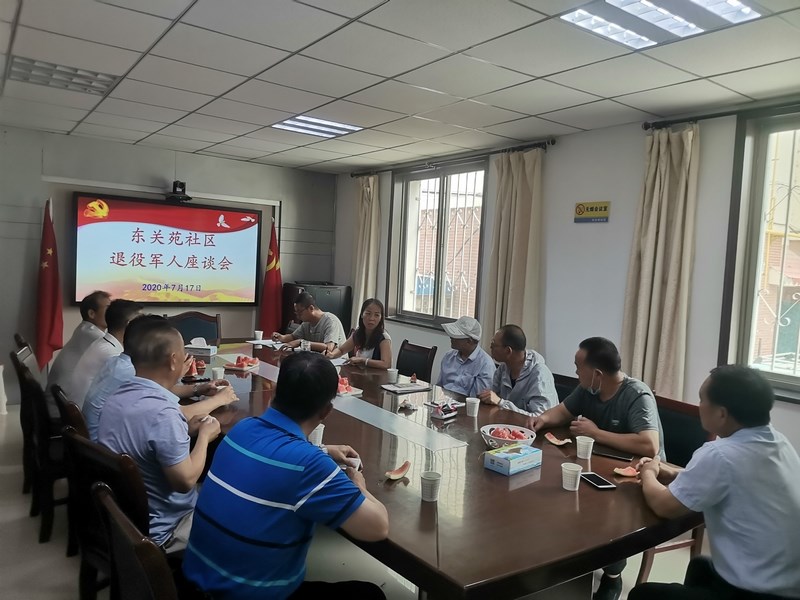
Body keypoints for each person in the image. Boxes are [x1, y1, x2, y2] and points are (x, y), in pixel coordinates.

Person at [183, 352, 389, 600]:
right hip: (242, 596)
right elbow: (377, 528)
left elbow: (276, 457)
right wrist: (359, 486)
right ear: (326, 411)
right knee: (370, 594)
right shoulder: (310, 465)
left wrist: (322, 450)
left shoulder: (242, 428)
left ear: (274, 392)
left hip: (192, 584)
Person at [630, 366, 800, 600]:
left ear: (721, 414)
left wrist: (648, 472)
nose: (699, 405)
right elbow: (737, 481)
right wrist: (676, 474)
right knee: (700, 566)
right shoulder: (779, 443)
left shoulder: (719, 454)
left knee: (643, 595)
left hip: (757, 593)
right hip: (789, 584)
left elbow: (663, 506)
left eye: (702, 399)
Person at [529, 336, 665, 600]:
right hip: (598, 467)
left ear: (598, 374)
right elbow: (562, 411)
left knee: (606, 512)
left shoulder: (636, 394)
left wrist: (596, 433)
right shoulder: (589, 389)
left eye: (578, 367)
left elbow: (649, 444)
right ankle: (571, 567)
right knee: (559, 498)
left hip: (637, 476)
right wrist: (542, 419)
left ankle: (612, 576)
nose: (576, 372)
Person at [97, 318, 227, 552]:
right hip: (167, 529)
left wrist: (186, 429)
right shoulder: (163, 414)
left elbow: (144, 438)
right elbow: (185, 482)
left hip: (124, 520)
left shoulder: (117, 396)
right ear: (173, 360)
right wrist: (205, 436)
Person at [84, 315, 237, 442]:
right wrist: (219, 400)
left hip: (107, 445)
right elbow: (180, 414)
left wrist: (197, 389)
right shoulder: (129, 371)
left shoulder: (121, 363)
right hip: (107, 448)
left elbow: (158, 390)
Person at [67, 299, 142, 408]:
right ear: (129, 324)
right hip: (86, 414)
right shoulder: (111, 353)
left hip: (83, 409)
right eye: (141, 322)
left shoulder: (104, 343)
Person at [478, 324, 558, 416]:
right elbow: (493, 400)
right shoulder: (503, 368)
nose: (490, 348)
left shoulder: (539, 375)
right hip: (507, 422)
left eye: (493, 345)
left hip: (533, 425)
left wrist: (501, 402)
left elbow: (539, 418)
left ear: (508, 351)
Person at [47, 290, 111, 392]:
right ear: (91, 314)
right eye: (108, 308)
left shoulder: (85, 329)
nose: (113, 312)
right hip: (64, 400)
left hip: (64, 396)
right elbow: (121, 361)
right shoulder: (92, 335)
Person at [437, 316, 495, 398]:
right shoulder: (448, 357)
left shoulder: (485, 365)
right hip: (443, 400)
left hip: (466, 404)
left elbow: (478, 399)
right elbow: (439, 387)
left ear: (469, 341)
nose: (451, 337)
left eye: (456, 336)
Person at [271, 292, 346, 354]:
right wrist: (281, 337)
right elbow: (293, 337)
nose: (298, 317)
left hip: (337, 363)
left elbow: (329, 348)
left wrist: (302, 343)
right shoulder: (306, 323)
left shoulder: (330, 321)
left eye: (300, 312)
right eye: (296, 313)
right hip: (317, 359)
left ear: (311, 308)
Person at [326, 298, 391, 369]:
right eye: (368, 314)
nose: (372, 318)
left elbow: (386, 364)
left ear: (381, 318)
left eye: (377, 315)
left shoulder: (384, 338)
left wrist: (363, 361)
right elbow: (341, 350)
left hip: (376, 375)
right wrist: (332, 354)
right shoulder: (358, 333)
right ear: (362, 315)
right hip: (360, 373)